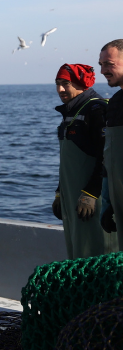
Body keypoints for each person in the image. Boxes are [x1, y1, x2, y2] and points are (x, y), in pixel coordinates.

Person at [50, 63, 116, 258]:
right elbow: (67, 163)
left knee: (97, 255)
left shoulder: (97, 110)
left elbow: (107, 157)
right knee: (77, 255)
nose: (60, 89)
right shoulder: (70, 114)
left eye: (66, 84)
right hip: (73, 203)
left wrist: (91, 193)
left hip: (93, 203)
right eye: (57, 84)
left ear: (81, 84)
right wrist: (60, 193)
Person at [99, 40, 123, 237]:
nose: (103, 70)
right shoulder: (115, 102)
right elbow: (110, 158)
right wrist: (107, 203)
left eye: (109, 64)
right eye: (101, 64)